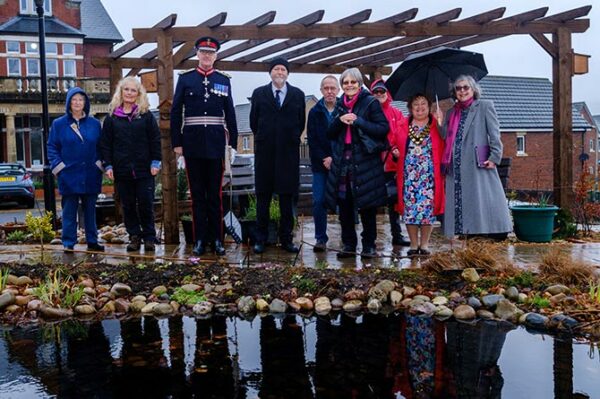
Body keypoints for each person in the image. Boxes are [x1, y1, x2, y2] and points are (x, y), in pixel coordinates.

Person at [170, 36, 238, 256]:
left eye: (211, 53)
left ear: (216, 56)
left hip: (216, 145)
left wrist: (233, 145)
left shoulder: (223, 80)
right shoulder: (186, 79)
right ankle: (199, 239)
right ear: (197, 54)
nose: (207, 56)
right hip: (193, 145)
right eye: (203, 52)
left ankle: (217, 240)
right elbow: (175, 113)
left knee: (215, 196)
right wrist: (177, 144)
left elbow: (231, 113)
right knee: (197, 195)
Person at [324, 68, 389, 259]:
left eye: (353, 82)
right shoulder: (339, 104)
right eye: (345, 82)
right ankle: (349, 245)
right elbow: (330, 132)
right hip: (343, 160)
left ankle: (369, 245)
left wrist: (358, 121)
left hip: (365, 160)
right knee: (344, 204)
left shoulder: (370, 102)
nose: (349, 85)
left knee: (367, 206)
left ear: (360, 84)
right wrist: (340, 120)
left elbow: (382, 129)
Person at [438, 75, 512, 239]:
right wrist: (439, 121)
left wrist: (494, 157)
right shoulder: (451, 112)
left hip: (477, 162)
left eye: (466, 87)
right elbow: (446, 137)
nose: (462, 91)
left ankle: (489, 231)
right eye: (458, 88)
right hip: (455, 165)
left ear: (473, 90)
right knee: (462, 200)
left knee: (480, 198)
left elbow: (494, 134)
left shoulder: (484, 106)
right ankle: (466, 232)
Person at [249, 57, 306, 254]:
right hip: (265, 155)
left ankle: (286, 239)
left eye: (283, 69)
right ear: (270, 73)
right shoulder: (259, 94)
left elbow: (301, 123)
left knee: (286, 200)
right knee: (263, 199)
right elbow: (253, 123)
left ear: (287, 73)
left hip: (288, 156)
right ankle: (261, 239)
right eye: (276, 69)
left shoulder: (298, 95)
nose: (279, 72)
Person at [100, 77, 161, 252]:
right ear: (121, 92)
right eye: (126, 89)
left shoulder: (146, 116)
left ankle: (149, 237)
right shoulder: (112, 118)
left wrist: (156, 161)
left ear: (138, 94)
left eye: (133, 90)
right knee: (127, 205)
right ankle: (134, 236)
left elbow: (155, 140)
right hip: (122, 170)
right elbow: (106, 144)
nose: (129, 93)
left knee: (145, 203)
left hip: (144, 169)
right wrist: (108, 166)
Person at [48, 87, 104, 253]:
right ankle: (68, 242)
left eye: (81, 99)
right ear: (69, 103)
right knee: (69, 210)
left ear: (85, 103)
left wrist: (99, 164)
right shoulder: (58, 124)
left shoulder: (95, 124)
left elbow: (101, 146)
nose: (78, 103)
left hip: (90, 173)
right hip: (68, 174)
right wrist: (60, 168)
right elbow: (52, 147)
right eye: (74, 99)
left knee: (90, 210)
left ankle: (92, 241)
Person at [391, 94, 445, 256]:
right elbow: (393, 143)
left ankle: (425, 244)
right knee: (410, 211)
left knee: (428, 211)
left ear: (429, 107)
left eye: (423, 104)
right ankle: (414, 245)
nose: (420, 107)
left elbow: (447, 141)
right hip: (409, 176)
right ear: (410, 108)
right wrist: (395, 151)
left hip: (429, 176)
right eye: (416, 104)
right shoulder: (402, 125)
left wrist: (442, 125)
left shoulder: (436, 124)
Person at [369, 79, 410, 247]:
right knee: (371, 201)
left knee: (395, 201)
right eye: (376, 92)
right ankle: (370, 238)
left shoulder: (396, 113)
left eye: (382, 92)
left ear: (387, 94)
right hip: (374, 164)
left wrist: (395, 150)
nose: (379, 95)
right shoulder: (368, 112)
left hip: (392, 164)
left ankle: (397, 234)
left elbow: (402, 134)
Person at [306, 75, 339, 252]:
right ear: (321, 90)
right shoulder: (314, 112)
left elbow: (347, 138)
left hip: (341, 164)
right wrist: (325, 158)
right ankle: (320, 238)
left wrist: (335, 157)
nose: (329, 91)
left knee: (345, 202)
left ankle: (348, 240)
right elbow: (312, 139)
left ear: (338, 90)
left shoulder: (344, 109)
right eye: (326, 88)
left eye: (333, 88)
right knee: (318, 201)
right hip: (320, 165)